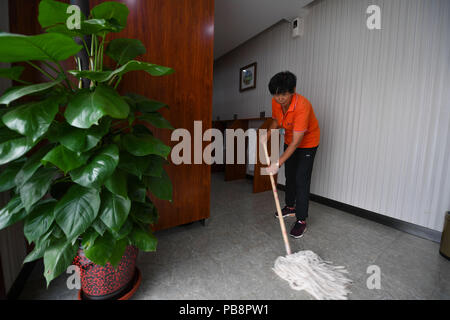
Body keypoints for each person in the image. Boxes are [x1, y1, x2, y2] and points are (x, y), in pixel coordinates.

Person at [262, 71, 320, 239]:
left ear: (293, 90)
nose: (279, 98)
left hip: (307, 143)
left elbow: (297, 142)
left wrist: (277, 163)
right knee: (289, 175)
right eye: (276, 94)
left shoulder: (303, 106)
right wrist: (267, 134)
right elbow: (276, 121)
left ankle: (301, 220)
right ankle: (290, 207)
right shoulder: (276, 102)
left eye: (283, 94)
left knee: (301, 179)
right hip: (290, 139)